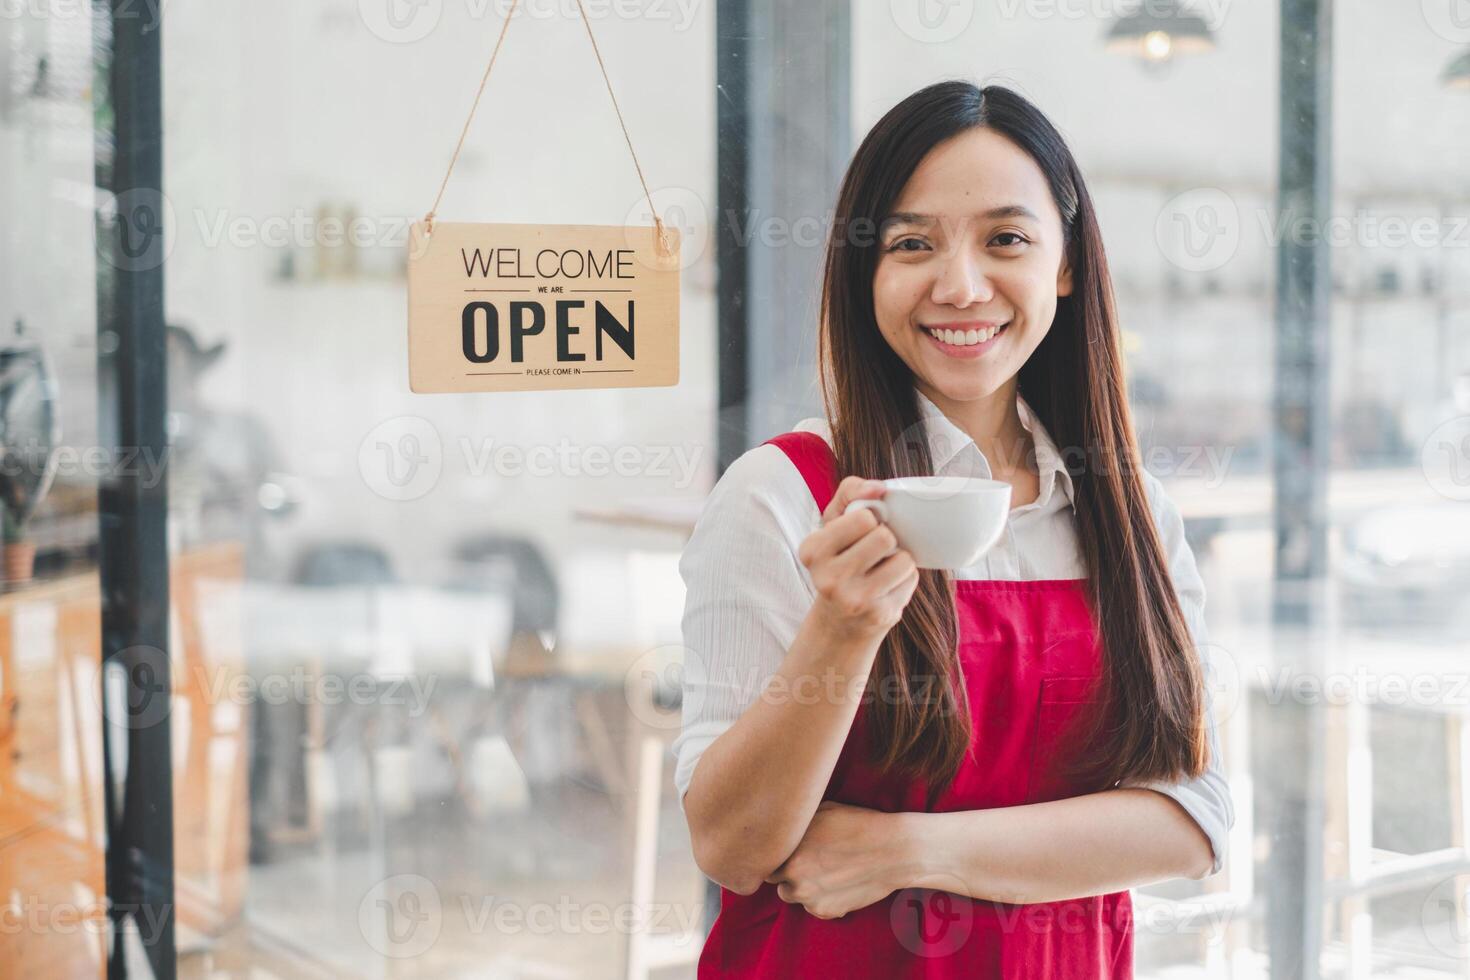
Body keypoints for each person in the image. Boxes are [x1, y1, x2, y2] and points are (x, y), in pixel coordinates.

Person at [673, 80, 1234, 977]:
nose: (961, 286)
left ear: (1065, 263)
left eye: (1006, 239)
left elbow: (1191, 819)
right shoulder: (781, 495)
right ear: (867, 273)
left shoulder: (1129, 513)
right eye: (911, 244)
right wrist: (843, 628)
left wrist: (910, 852)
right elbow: (732, 846)